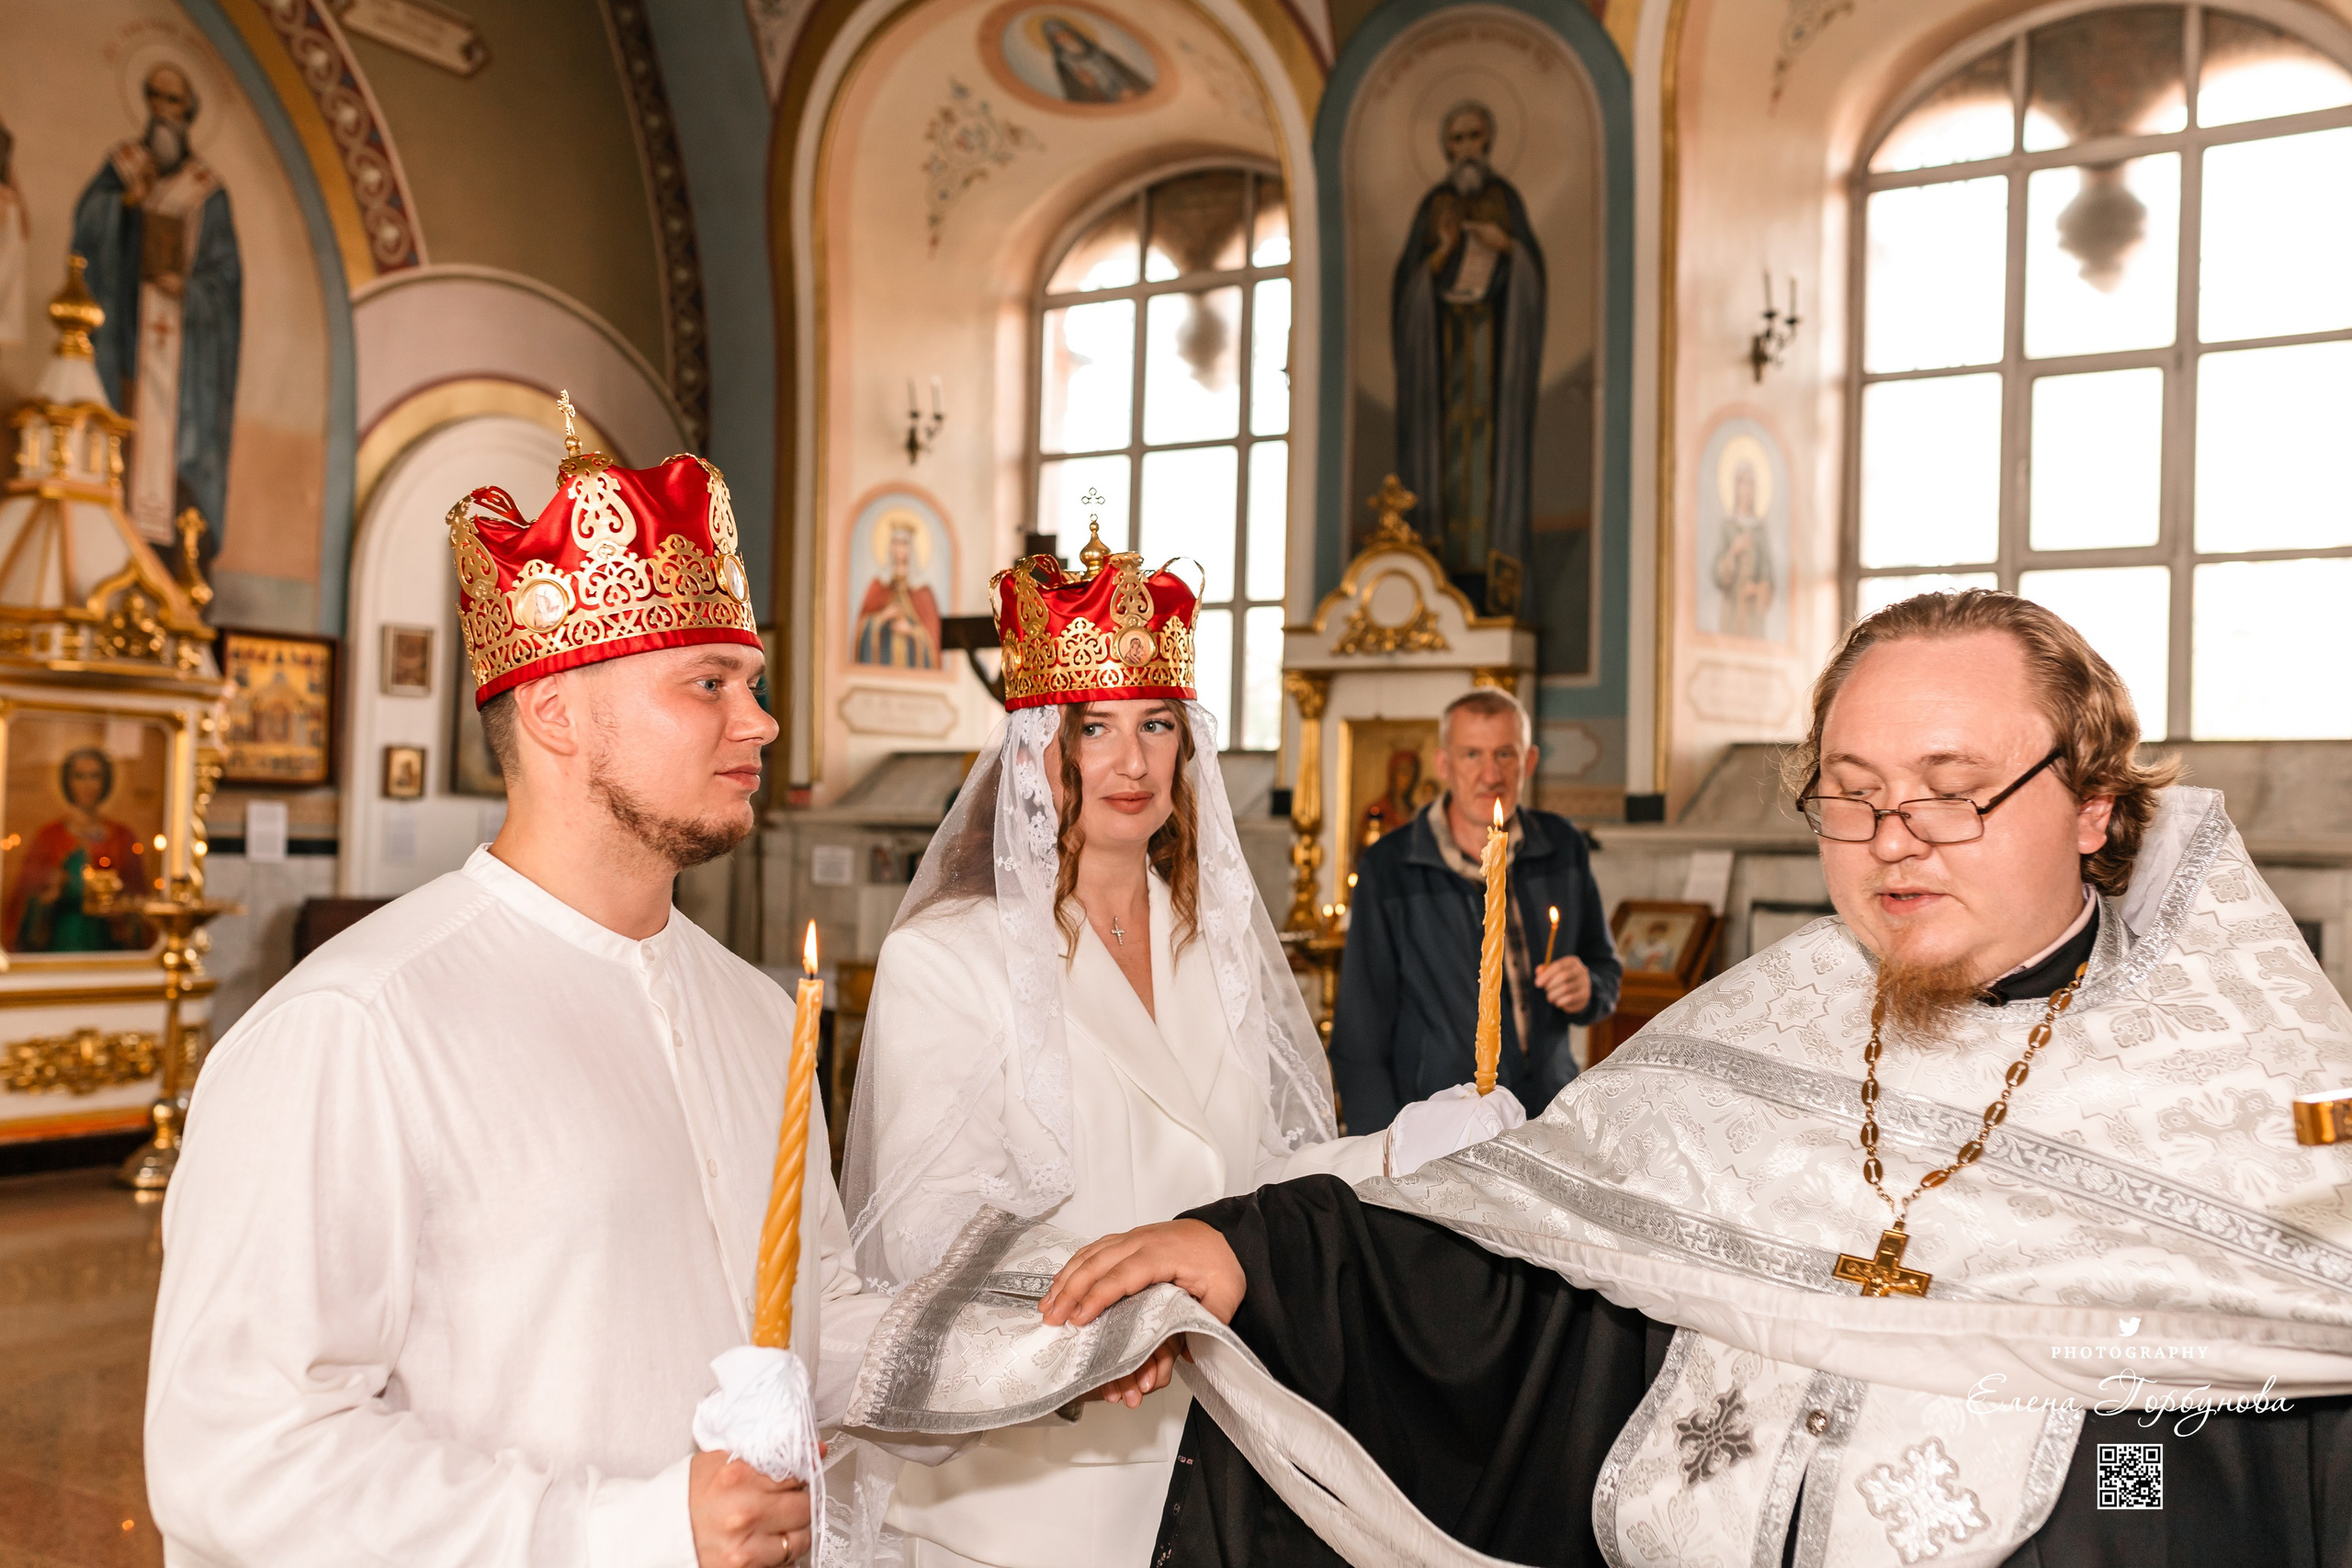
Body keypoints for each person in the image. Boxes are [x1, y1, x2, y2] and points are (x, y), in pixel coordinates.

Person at [1039, 589, 2352, 1565]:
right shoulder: (1765, 1021)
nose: (1893, 843)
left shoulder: (2241, 1094)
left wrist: (2123, 1496)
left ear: (2093, 804)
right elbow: (1542, 1296)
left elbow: (2253, 1436)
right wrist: (1267, 1257)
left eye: (1951, 794)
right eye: (1852, 793)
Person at [146, 440, 883, 1565]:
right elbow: (241, 1454)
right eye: (708, 684)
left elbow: (817, 1322)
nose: (761, 722)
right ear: (554, 715)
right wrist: (630, 1531)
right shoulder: (355, 1027)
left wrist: (1064, 1345)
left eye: (753, 682)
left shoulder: (750, 1011)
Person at [835, 523, 1519, 1567]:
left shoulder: (1218, 943)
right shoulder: (952, 959)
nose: (1130, 761)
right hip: (1023, 1499)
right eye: (1094, 728)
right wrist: (1117, 1318)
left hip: (1219, 1465)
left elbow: (1254, 1182)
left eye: (1155, 725)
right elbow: (930, 1247)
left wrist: (1397, 1155)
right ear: (1036, 751)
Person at [1329, 686, 1621, 1131]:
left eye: (1505, 754)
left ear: (1529, 761)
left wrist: (1588, 987)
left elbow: (1605, 971)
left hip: (1548, 1113)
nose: (1491, 774)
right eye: (1472, 755)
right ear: (1443, 763)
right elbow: (1359, 1039)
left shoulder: (1560, 846)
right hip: (1439, 1123)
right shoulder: (1392, 865)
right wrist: (1380, 1156)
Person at [72, 62, 241, 545]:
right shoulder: (121, 168)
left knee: (167, 452)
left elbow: (226, 279)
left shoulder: (209, 192)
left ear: (189, 111)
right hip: (122, 341)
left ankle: (166, 544)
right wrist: (126, 204)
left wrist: (186, 289)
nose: (162, 111)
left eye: (173, 101)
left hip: (177, 361)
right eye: (154, 98)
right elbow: (87, 232)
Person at [1392, 101, 1544, 614]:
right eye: (1455, 140)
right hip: (1442, 374)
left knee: (1487, 472)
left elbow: (1531, 279)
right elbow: (1407, 293)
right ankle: (1437, 583)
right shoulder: (1433, 207)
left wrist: (1507, 249)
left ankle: (1493, 587)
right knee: (1445, 474)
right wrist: (1443, 251)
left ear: (1488, 141)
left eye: (1474, 137)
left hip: (1493, 368)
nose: (1465, 149)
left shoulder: (1507, 202)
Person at [7, 747, 150, 953]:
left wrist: (121, 908)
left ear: (106, 781)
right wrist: (48, 894)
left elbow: (140, 902)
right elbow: (21, 902)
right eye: (79, 776)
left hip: (106, 946)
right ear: (68, 781)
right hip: (59, 944)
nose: (87, 785)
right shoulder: (49, 837)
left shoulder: (122, 837)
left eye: (95, 776)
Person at [853, 512, 942, 668]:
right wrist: (882, 617)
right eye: (895, 542)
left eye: (903, 543)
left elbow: (932, 640)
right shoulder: (878, 586)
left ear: (911, 548)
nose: (899, 548)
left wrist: (911, 630)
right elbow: (862, 630)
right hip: (881, 666)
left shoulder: (922, 592)